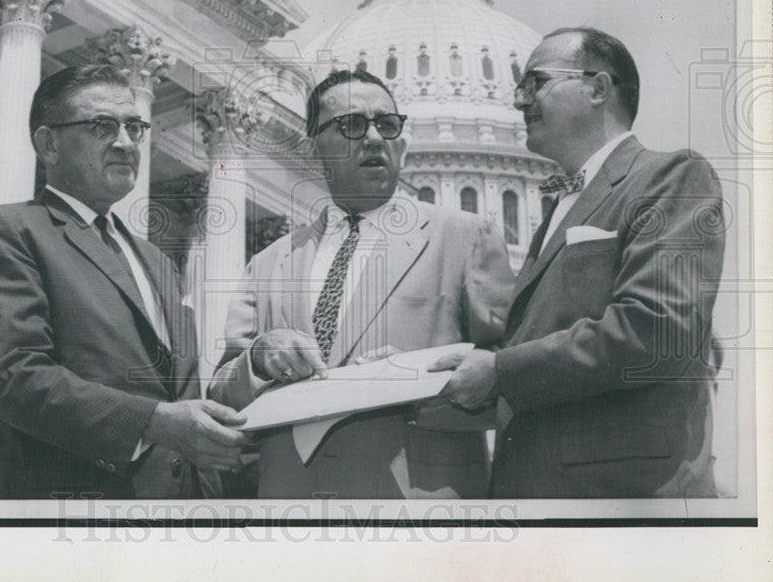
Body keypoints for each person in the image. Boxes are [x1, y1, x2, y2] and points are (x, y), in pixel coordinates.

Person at [430, 27, 725, 498]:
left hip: (624, 498)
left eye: (535, 83)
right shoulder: (561, 209)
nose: (520, 101)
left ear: (598, 88)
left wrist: (502, 371)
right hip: (548, 494)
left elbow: (658, 328)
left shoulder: (670, 176)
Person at [208, 69, 514, 499]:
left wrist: (418, 382)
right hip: (293, 512)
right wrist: (258, 359)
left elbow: (513, 373)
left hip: (418, 512)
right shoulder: (270, 261)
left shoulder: (465, 237)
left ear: (401, 144)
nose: (373, 138)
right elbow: (222, 393)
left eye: (386, 125)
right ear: (314, 146)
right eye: (351, 125)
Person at [0, 64, 248, 499]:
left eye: (135, 126)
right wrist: (153, 422)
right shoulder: (8, 232)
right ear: (49, 144)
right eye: (102, 126)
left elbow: (182, 390)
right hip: (69, 517)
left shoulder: (157, 261)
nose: (126, 143)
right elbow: (13, 374)